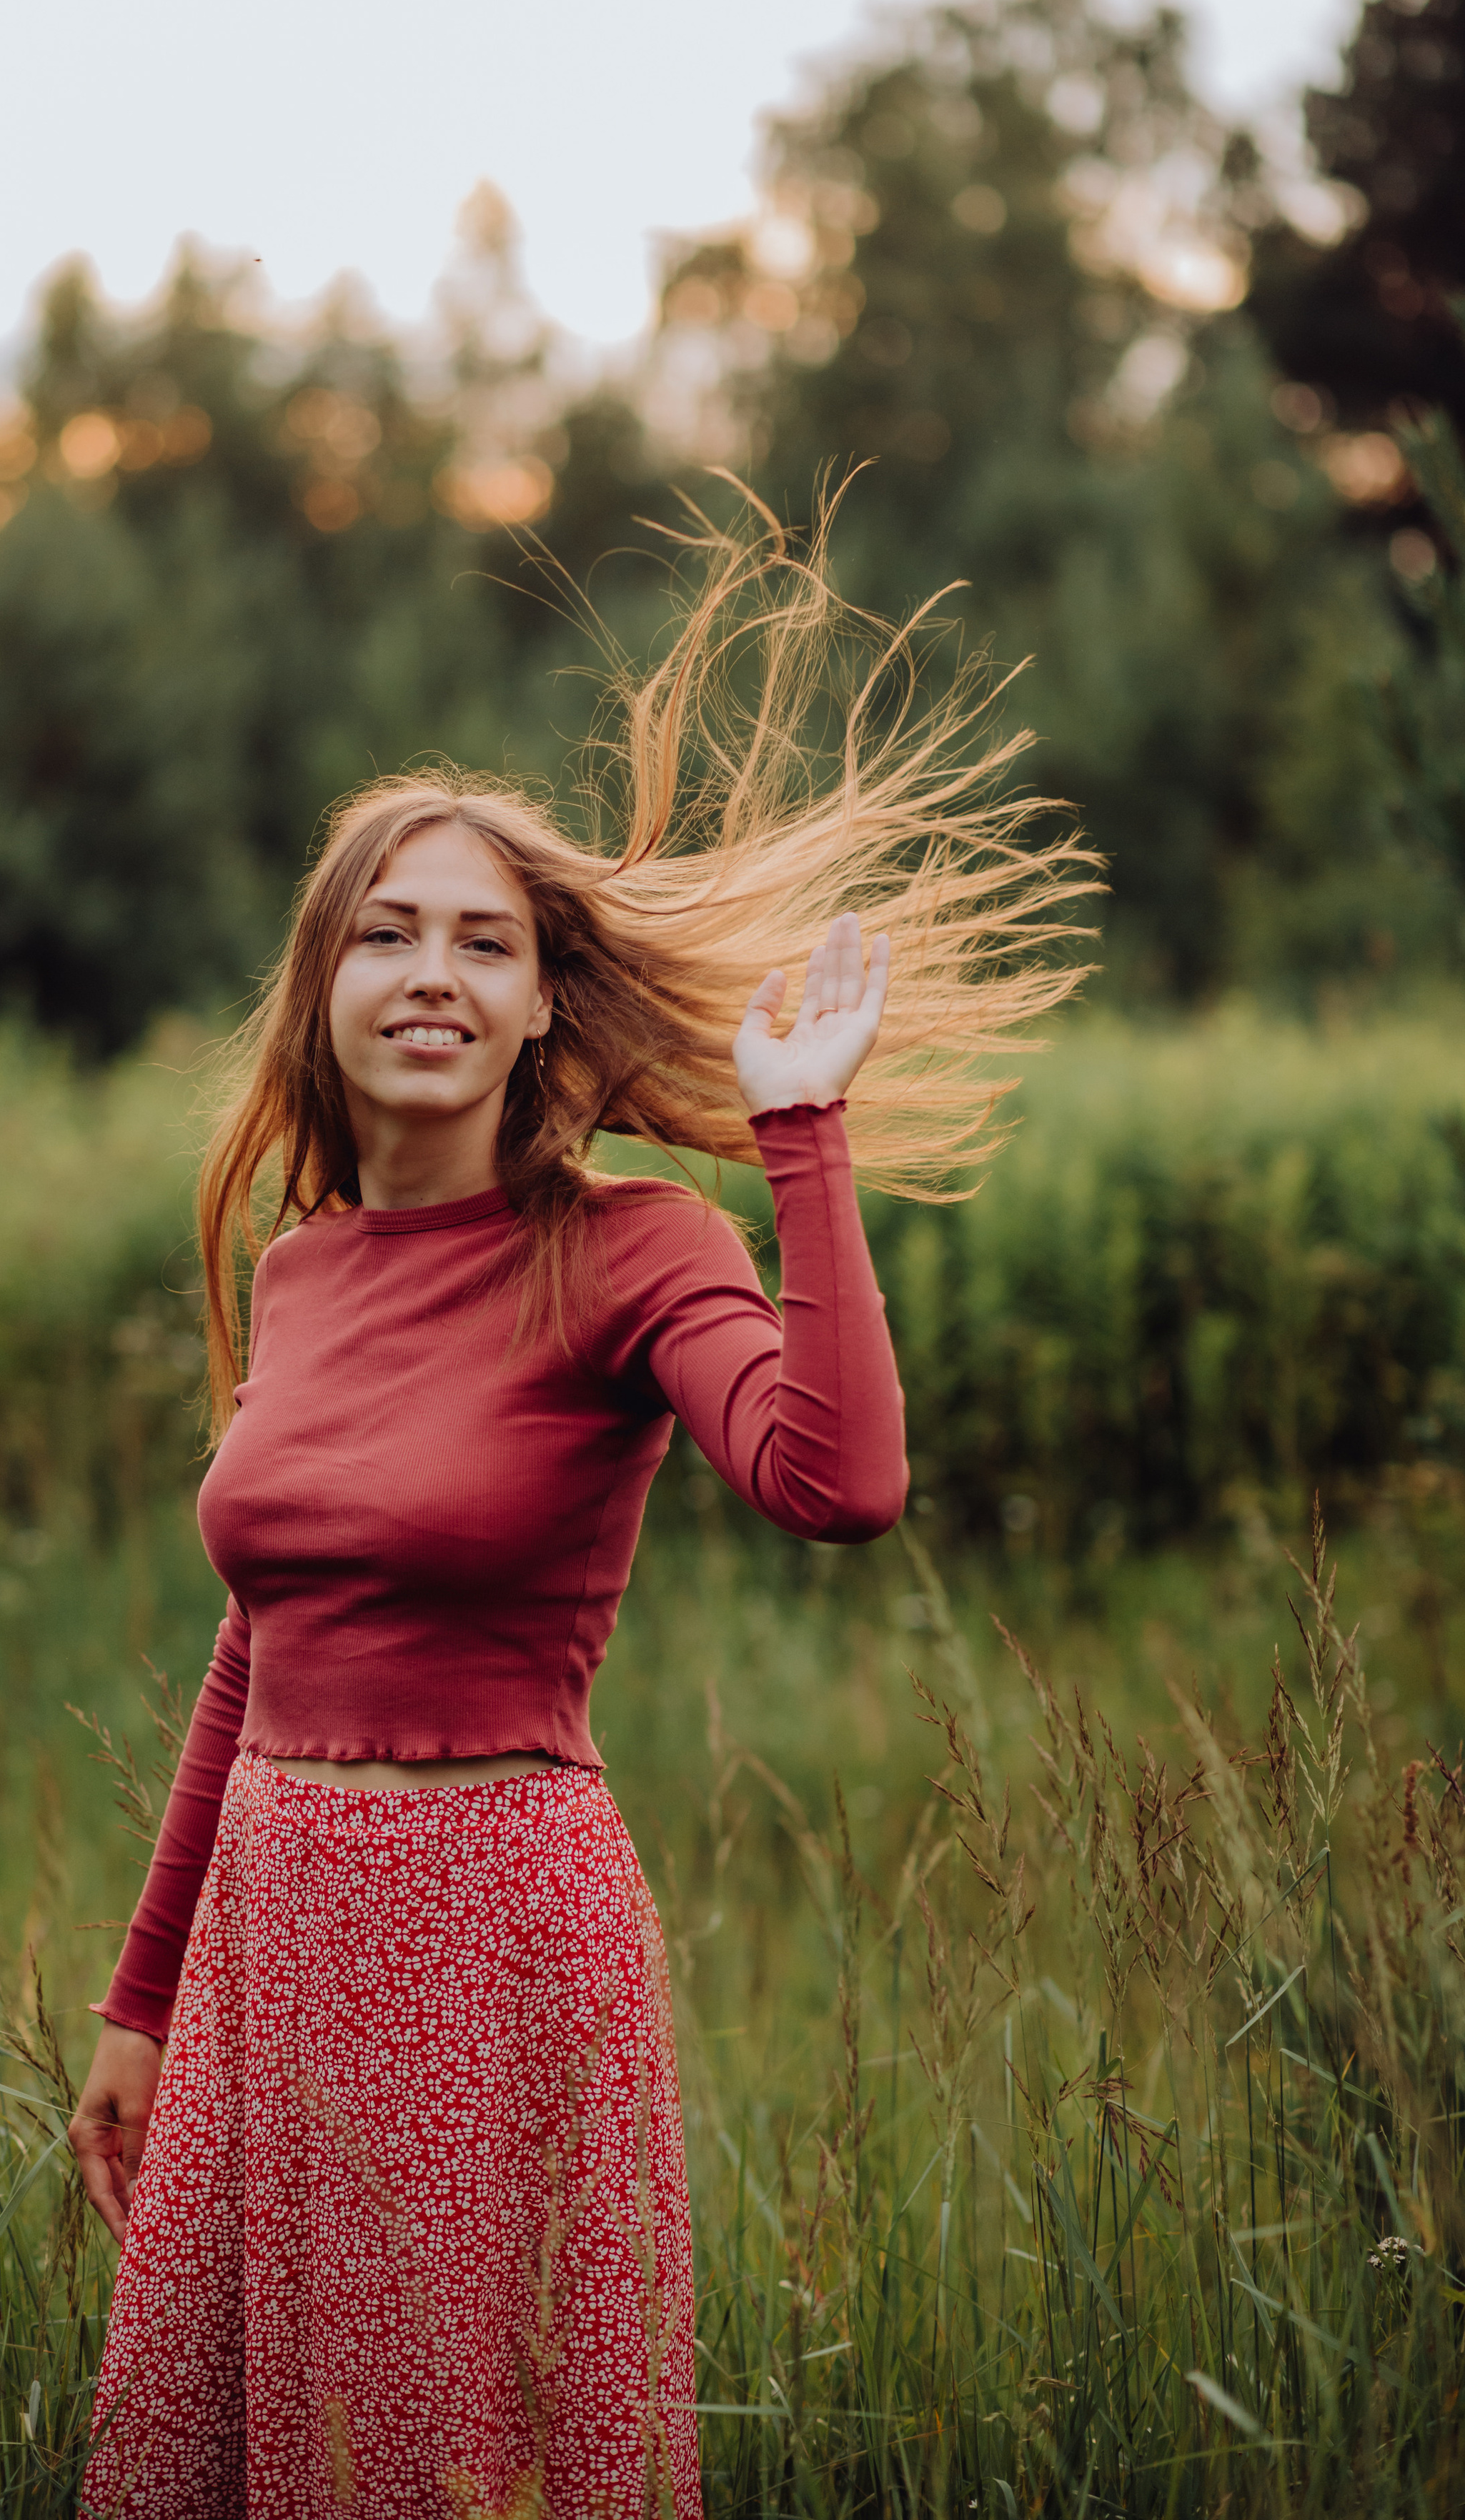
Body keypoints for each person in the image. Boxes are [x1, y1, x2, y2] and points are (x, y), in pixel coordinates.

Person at [70, 517, 1088, 2518]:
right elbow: (255, 1643)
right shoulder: (302, 1274)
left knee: (448, 2474)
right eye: (385, 931)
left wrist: (801, 1136)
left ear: (547, 1005)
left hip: (490, 1937)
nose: (428, 972)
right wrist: (142, 1996)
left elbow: (841, 1483)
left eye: (480, 940)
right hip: (275, 1937)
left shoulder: (630, 1249)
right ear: (322, 994)